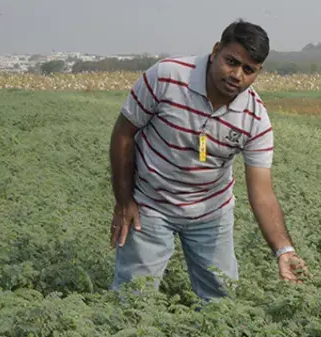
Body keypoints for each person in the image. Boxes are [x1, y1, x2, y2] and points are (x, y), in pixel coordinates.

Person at [108, 19, 308, 300]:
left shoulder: (255, 119)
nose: (237, 75)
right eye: (232, 61)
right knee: (132, 298)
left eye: (248, 70)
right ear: (216, 51)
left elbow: (262, 193)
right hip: (150, 205)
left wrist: (284, 249)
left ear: (258, 73)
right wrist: (124, 201)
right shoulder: (167, 77)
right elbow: (123, 135)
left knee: (223, 300)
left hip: (210, 213)